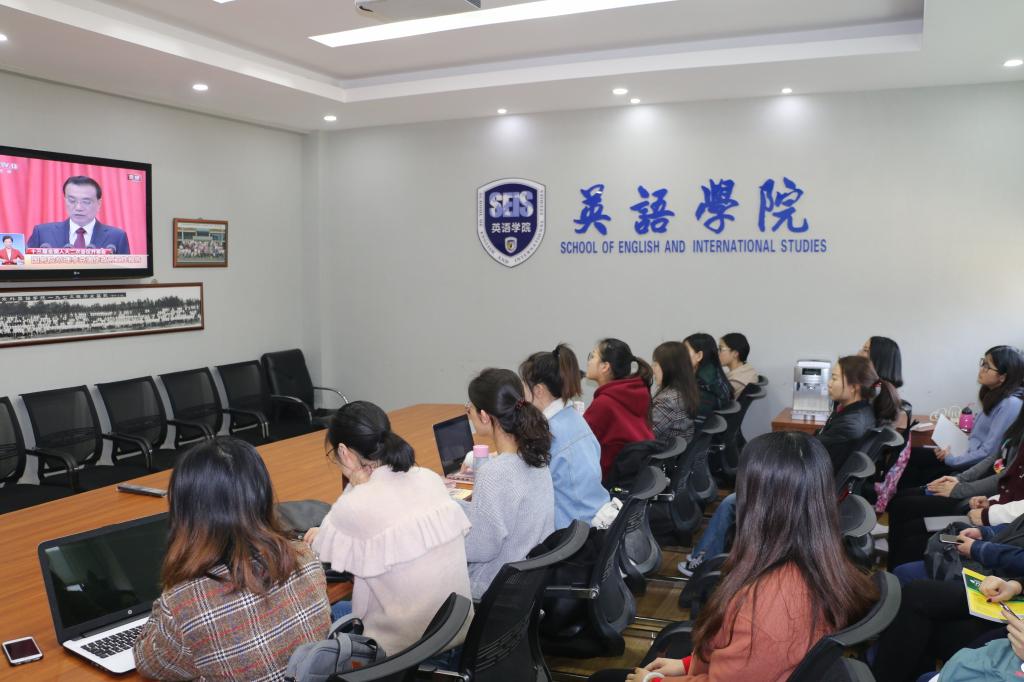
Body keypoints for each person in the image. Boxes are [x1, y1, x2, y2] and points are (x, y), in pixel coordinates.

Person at [591, 433, 878, 682]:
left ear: (758, 504)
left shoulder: (768, 606)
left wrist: (652, 680)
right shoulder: (821, 563)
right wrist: (687, 665)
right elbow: (749, 663)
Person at [133, 438, 330, 680]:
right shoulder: (305, 557)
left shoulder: (184, 603)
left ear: (186, 512)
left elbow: (148, 664)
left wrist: (173, 584)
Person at [305, 401, 472, 656]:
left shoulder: (355, 506)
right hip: (455, 630)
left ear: (344, 452)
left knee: (323, 615)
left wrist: (357, 486)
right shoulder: (428, 477)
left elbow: (320, 553)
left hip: (403, 652)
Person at [887, 405, 1024, 568]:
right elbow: (997, 462)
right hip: (987, 507)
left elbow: (1002, 479)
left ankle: (892, 576)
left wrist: (962, 490)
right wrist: (961, 481)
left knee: (910, 533)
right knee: (901, 508)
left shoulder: (1011, 405)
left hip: (992, 519)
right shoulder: (1018, 427)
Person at [462, 368, 555, 599]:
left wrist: (447, 530)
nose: (469, 412)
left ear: (485, 416)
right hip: (527, 580)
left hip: (491, 586)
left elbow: (479, 549)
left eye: (471, 407)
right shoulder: (536, 457)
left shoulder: (494, 473)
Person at [898, 346, 1024, 488]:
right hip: (964, 455)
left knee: (913, 465)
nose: (981, 369)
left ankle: (901, 496)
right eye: (983, 363)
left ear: (1003, 377)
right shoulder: (994, 396)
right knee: (911, 455)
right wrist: (947, 448)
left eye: (987, 366)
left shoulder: (1010, 404)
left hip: (972, 468)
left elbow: (989, 452)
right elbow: (978, 436)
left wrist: (951, 459)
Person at [520, 344, 609, 529]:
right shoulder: (576, 419)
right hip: (593, 519)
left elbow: (522, 485)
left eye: (524, 387)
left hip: (570, 532)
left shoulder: (547, 434)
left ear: (538, 390)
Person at [584, 338, 656, 480]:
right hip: (633, 476)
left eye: (592, 356)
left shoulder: (604, 403)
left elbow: (580, 444)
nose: (589, 362)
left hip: (608, 478)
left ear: (605, 367)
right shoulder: (635, 393)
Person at [818, 355, 900, 472]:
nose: (829, 383)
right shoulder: (860, 410)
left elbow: (814, 455)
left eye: (834, 378)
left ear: (853, 387)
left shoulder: (849, 426)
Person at [27, 176, 131, 254]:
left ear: (99, 203)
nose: (78, 207)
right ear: (65, 200)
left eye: (86, 202)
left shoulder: (117, 236)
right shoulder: (42, 233)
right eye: (72, 200)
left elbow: (126, 273)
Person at [650, 341, 701, 444]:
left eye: (655, 364)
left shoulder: (668, 400)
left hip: (660, 451)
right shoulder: (684, 390)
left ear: (669, 367)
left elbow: (644, 434)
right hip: (676, 450)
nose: (652, 368)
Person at [683, 333, 733, 423]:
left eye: (684, 351)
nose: (680, 356)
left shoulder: (703, 389)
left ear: (699, 356)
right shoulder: (715, 375)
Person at [719, 333, 758, 398]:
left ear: (735, 353)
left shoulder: (736, 382)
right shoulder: (747, 369)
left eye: (720, 349)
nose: (718, 353)